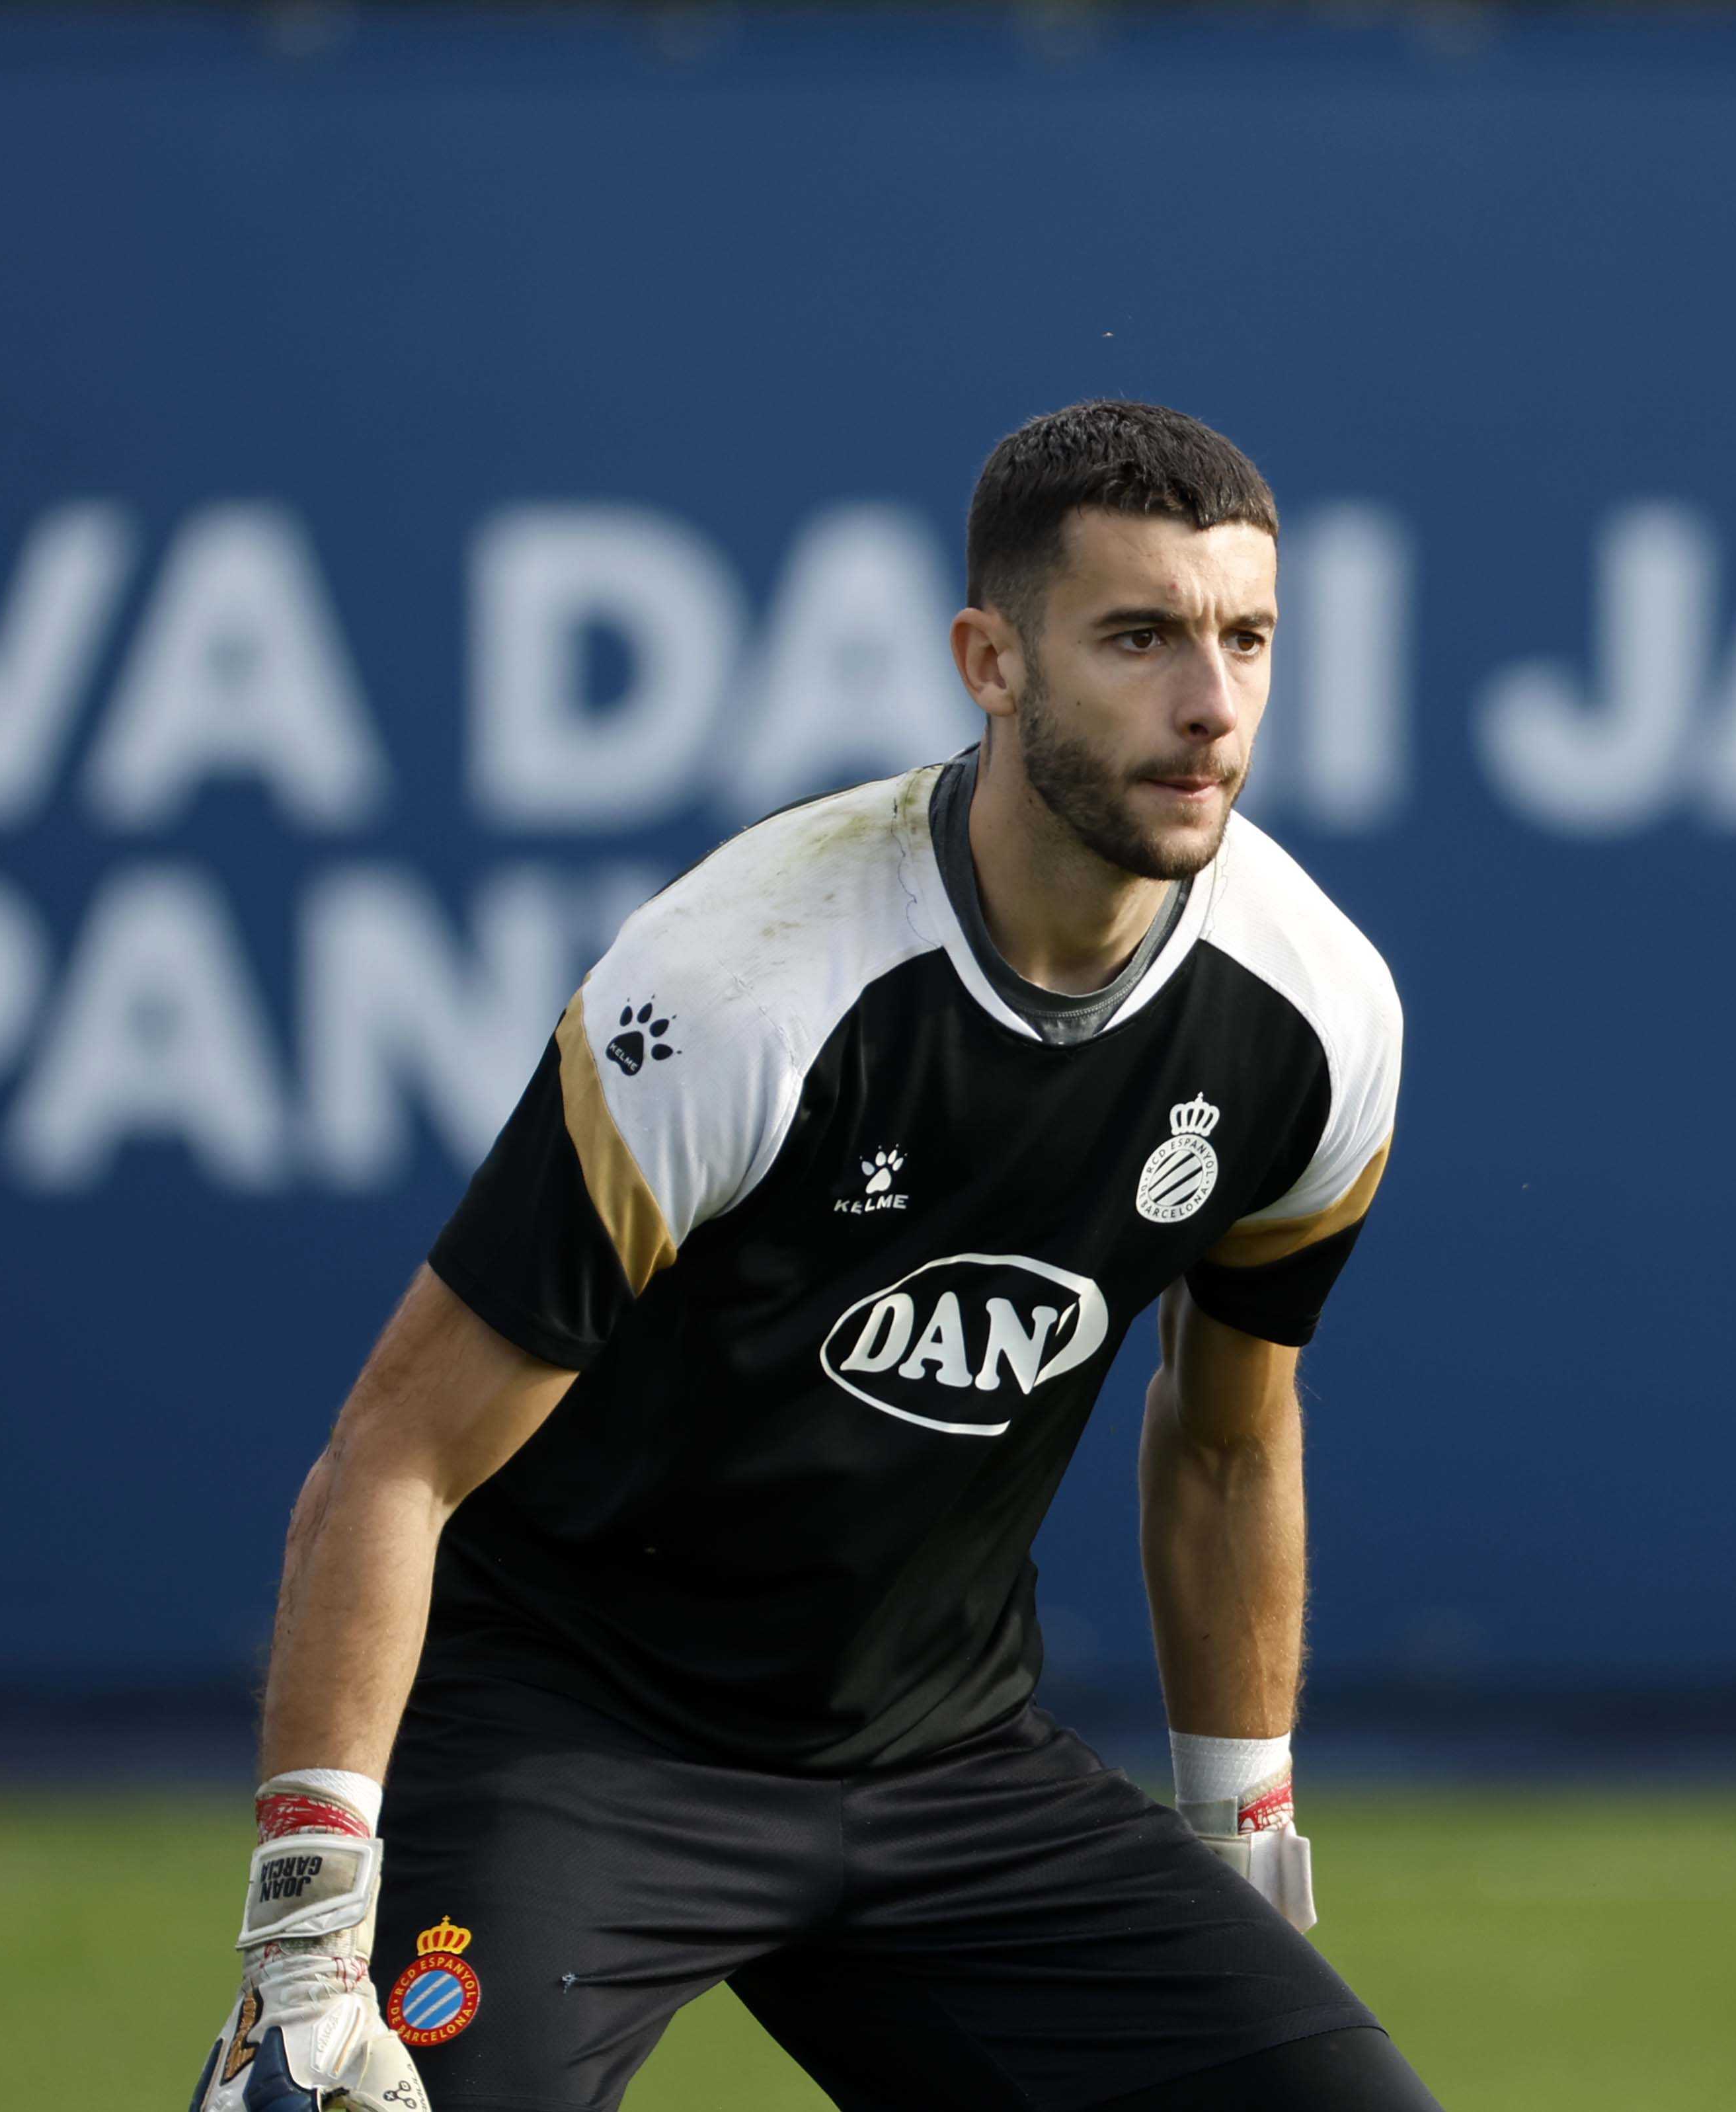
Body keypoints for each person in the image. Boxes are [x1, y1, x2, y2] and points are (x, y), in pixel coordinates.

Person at [192, 401, 1440, 2112]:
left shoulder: (1316, 1011)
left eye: (1246, 638)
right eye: (1137, 636)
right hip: (579, 1735)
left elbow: (1227, 1433)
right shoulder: (743, 983)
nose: (1208, 704)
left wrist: (1240, 1827)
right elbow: (390, 1462)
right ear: (988, 660)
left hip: (944, 1765)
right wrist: (306, 1944)